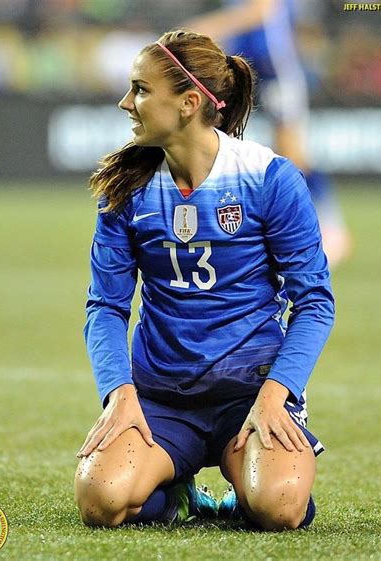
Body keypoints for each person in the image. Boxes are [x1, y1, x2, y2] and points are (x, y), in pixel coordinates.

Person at [74, 29, 334, 531]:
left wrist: (279, 392)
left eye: (142, 89)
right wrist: (119, 394)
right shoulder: (126, 189)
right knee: (100, 502)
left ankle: (253, 489)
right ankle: (176, 495)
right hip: (161, 397)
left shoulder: (269, 178)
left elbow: (315, 303)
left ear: (190, 102)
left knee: (279, 507)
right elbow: (105, 307)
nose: (126, 102)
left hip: (251, 395)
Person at [185, 0, 352, 268]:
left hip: (275, 71)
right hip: (242, 72)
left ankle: (331, 228)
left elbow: (261, 11)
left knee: (292, 156)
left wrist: (209, 27)